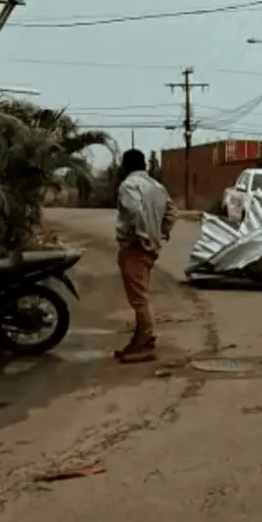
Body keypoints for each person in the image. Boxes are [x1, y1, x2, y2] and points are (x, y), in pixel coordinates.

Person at [114, 148, 177, 364]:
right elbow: (172, 213)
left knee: (139, 299)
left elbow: (135, 212)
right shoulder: (157, 187)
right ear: (144, 165)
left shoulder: (129, 186)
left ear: (125, 165)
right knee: (141, 294)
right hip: (150, 249)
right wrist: (162, 234)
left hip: (135, 247)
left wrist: (143, 237)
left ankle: (147, 342)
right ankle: (138, 339)